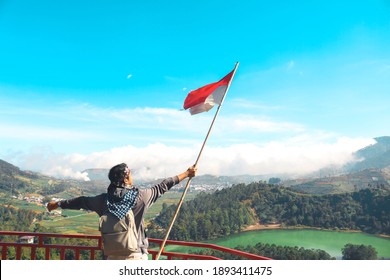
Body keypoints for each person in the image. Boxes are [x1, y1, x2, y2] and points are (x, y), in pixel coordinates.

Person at [47, 163, 197, 260]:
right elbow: (163, 186)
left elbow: (80, 201)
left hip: (110, 256)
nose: (132, 176)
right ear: (125, 179)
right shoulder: (141, 197)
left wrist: (57, 204)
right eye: (130, 174)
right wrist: (187, 173)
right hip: (136, 255)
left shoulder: (103, 200)